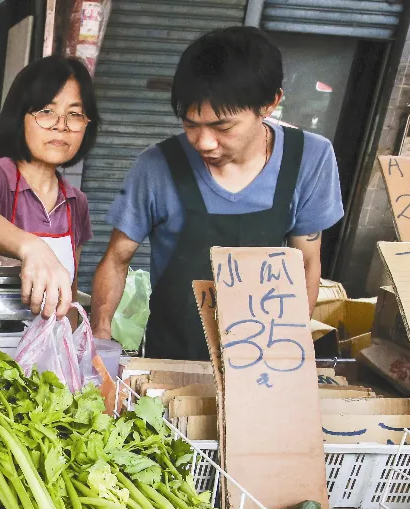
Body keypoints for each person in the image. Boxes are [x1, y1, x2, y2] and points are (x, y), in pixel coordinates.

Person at [90, 26, 344, 359]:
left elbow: (306, 263)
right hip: (171, 356)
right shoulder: (157, 166)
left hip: (260, 359)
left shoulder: (309, 159)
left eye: (222, 126)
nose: (203, 142)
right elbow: (116, 259)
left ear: (270, 103)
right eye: (191, 124)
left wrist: (287, 354)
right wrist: (100, 336)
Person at [0, 55, 100, 319]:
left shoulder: (76, 203)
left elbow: (68, 298)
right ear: (20, 115)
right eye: (46, 111)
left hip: (48, 355)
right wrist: (32, 247)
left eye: (75, 114)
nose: (61, 126)